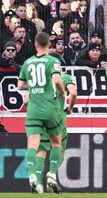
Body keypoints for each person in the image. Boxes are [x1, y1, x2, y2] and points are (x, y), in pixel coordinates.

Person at [17, 32, 65, 193]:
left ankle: (32, 175)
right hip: (50, 108)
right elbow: (57, 80)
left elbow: (20, 86)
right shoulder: (52, 61)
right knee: (56, 143)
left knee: (32, 145)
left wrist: (33, 85)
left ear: (36, 44)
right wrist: (62, 92)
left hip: (34, 110)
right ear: (48, 45)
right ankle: (51, 174)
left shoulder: (28, 62)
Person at [33, 53, 77, 193]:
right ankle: (52, 175)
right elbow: (74, 93)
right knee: (58, 147)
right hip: (58, 117)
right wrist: (69, 108)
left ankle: (38, 184)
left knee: (41, 150)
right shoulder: (65, 78)